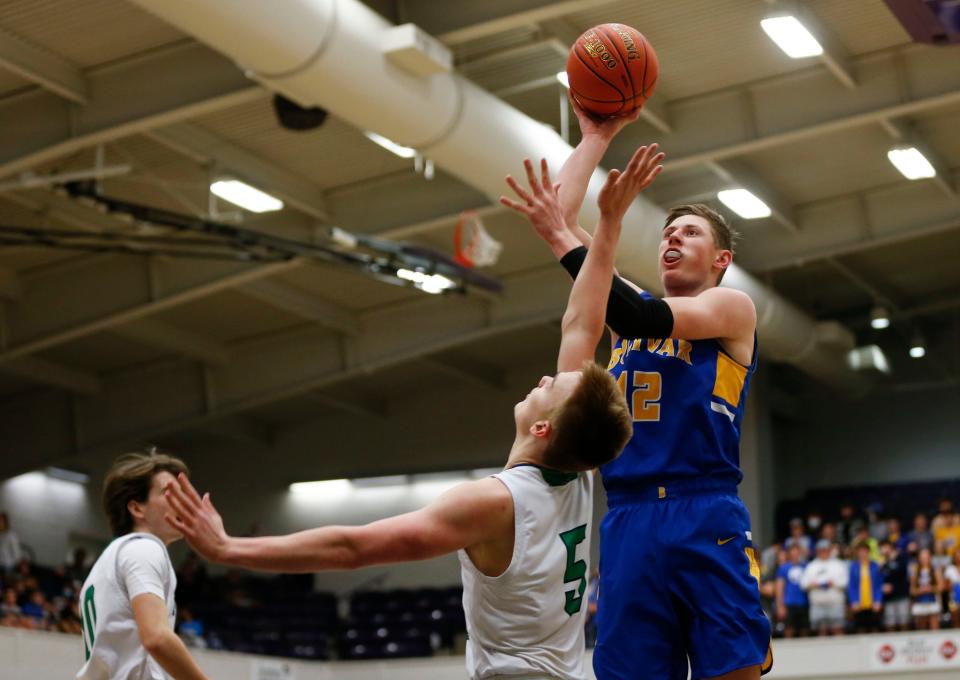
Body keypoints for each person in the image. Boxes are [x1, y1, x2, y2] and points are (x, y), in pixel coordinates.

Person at [165, 155, 638, 680]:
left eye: (554, 385)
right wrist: (607, 225)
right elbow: (583, 323)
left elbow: (353, 548)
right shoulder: (578, 472)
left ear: (544, 427)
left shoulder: (494, 502)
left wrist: (230, 548)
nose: (548, 377)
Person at [524, 96, 771, 679]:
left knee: (732, 670)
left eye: (689, 232)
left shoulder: (730, 309)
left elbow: (630, 310)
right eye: (666, 232)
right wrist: (595, 138)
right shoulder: (627, 308)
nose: (672, 239)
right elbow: (559, 216)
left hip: (704, 510)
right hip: (628, 515)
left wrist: (590, 233)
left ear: (721, 258)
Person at [77, 452, 208, 680]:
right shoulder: (144, 548)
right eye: (169, 493)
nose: (182, 501)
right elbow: (156, 638)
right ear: (137, 509)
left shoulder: (111, 559)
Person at [801, 539, 848, 637]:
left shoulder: (839, 564)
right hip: (817, 604)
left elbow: (845, 583)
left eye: (826, 550)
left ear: (830, 550)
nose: (823, 552)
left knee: (838, 629)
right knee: (821, 631)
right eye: (821, 550)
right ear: (817, 551)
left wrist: (833, 583)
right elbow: (803, 584)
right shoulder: (811, 566)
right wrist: (813, 585)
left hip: (835, 603)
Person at [847, 542, 882, 633]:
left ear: (869, 552)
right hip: (859, 603)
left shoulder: (875, 566)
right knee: (860, 627)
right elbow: (852, 586)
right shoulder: (853, 567)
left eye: (865, 551)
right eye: (860, 551)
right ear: (857, 553)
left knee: (874, 627)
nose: (863, 553)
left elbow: (878, 585)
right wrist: (854, 601)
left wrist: (878, 600)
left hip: (872, 602)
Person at [775, 544, 808, 638]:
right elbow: (779, 587)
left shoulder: (806, 566)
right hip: (789, 603)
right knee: (789, 629)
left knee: (804, 629)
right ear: (789, 554)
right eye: (793, 552)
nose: (795, 555)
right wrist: (780, 606)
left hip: (804, 603)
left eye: (797, 552)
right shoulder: (784, 568)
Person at [879, 540, 911, 632]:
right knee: (890, 624)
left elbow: (902, 575)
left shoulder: (902, 558)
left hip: (902, 596)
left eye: (884, 547)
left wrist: (891, 561)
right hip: (889, 598)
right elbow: (880, 578)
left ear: (890, 547)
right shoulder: (882, 562)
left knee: (904, 623)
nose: (882, 550)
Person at [910, 547, 944, 631]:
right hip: (920, 601)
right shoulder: (915, 571)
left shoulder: (935, 570)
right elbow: (912, 590)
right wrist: (920, 590)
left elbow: (941, 586)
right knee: (921, 625)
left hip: (933, 600)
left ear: (930, 558)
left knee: (934, 625)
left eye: (926, 557)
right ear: (919, 558)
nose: (924, 560)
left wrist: (931, 588)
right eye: (922, 558)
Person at [944, 550, 960, 629]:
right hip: (953, 597)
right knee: (954, 616)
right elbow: (946, 586)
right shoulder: (949, 569)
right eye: (957, 556)